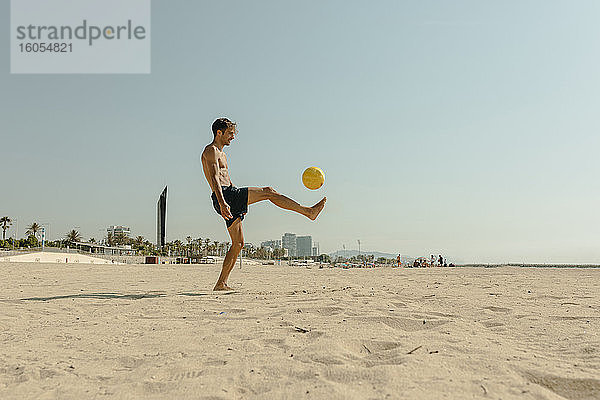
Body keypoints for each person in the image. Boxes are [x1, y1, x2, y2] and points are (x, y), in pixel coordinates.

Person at [201, 117, 327, 291]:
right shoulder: (211, 151)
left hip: (227, 195)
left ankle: (221, 283)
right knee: (268, 191)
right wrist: (223, 202)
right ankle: (308, 211)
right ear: (219, 132)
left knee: (238, 244)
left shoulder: (221, 153)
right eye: (230, 133)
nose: (233, 137)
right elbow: (215, 179)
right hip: (226, 196)